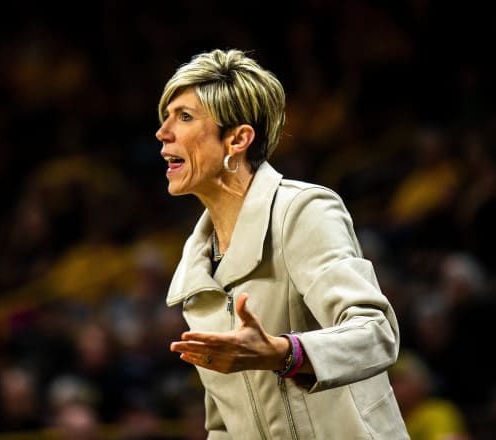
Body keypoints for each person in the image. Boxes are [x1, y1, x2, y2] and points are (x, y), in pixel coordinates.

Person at [156, 48, 409, 439]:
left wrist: (283, 353)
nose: (163, 132)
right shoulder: (196, 272)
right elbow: (225, 423)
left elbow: (376, 334)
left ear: (237, 139)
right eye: (166, 118)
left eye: (184, 117)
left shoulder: (302, 212)